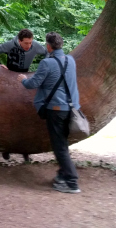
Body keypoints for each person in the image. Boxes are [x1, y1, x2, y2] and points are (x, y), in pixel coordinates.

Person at [18, 32, 81, 194]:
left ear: (48, 46)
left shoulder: (47, 63)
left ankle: (72, 181)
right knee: (62, 144)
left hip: (56, 110)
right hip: (72, 109)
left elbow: (33, 83)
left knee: (59, 147)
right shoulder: (71, 61)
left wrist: (23, 79)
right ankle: (62, 174)